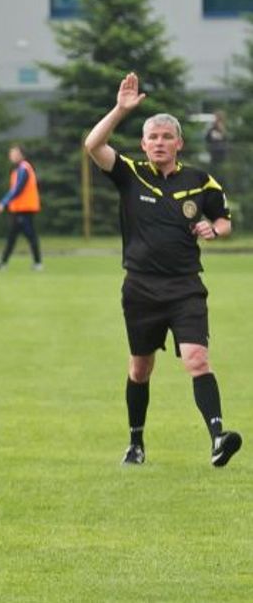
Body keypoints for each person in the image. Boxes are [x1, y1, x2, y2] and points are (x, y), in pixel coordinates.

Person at [84, 72, 241, 468]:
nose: (158, 143)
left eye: (165, 137)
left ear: (179, 144)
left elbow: (224, 221)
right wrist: (121, 109)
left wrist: (214, 230)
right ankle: (135, 443)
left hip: (186, 287)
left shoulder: (199, 181)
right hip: (140, 289)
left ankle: (218, 438)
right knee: (140, 367)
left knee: (197, 360)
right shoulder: (130, 174)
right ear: (143, 144)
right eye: (152, 137)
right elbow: (93, 145)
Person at [0, 144, 43, 271]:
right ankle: (4, 263)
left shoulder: (23, 169)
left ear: (21, 155)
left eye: (14, 153)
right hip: (19, 209)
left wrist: (3, 202)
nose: (11, 155)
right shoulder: (19, 169)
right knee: (13, 236)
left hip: (25, 209)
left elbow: (17, 189)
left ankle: (37, 263)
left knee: (29, 236)